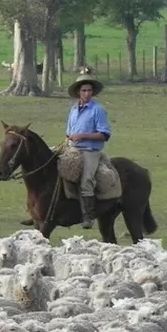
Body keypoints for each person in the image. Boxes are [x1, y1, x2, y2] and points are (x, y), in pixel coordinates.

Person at [64, 73, 111, 229]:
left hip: (90, 151)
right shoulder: (73, 110)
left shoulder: (98, 110)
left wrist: (82, 136)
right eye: (84, 90)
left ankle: (88, 216)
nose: (87, 93)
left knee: (86, 180)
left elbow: (103, 135)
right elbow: (69, 132)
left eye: (90, 90)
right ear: (79, 92)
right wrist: (68, 141)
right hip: (72, 148)